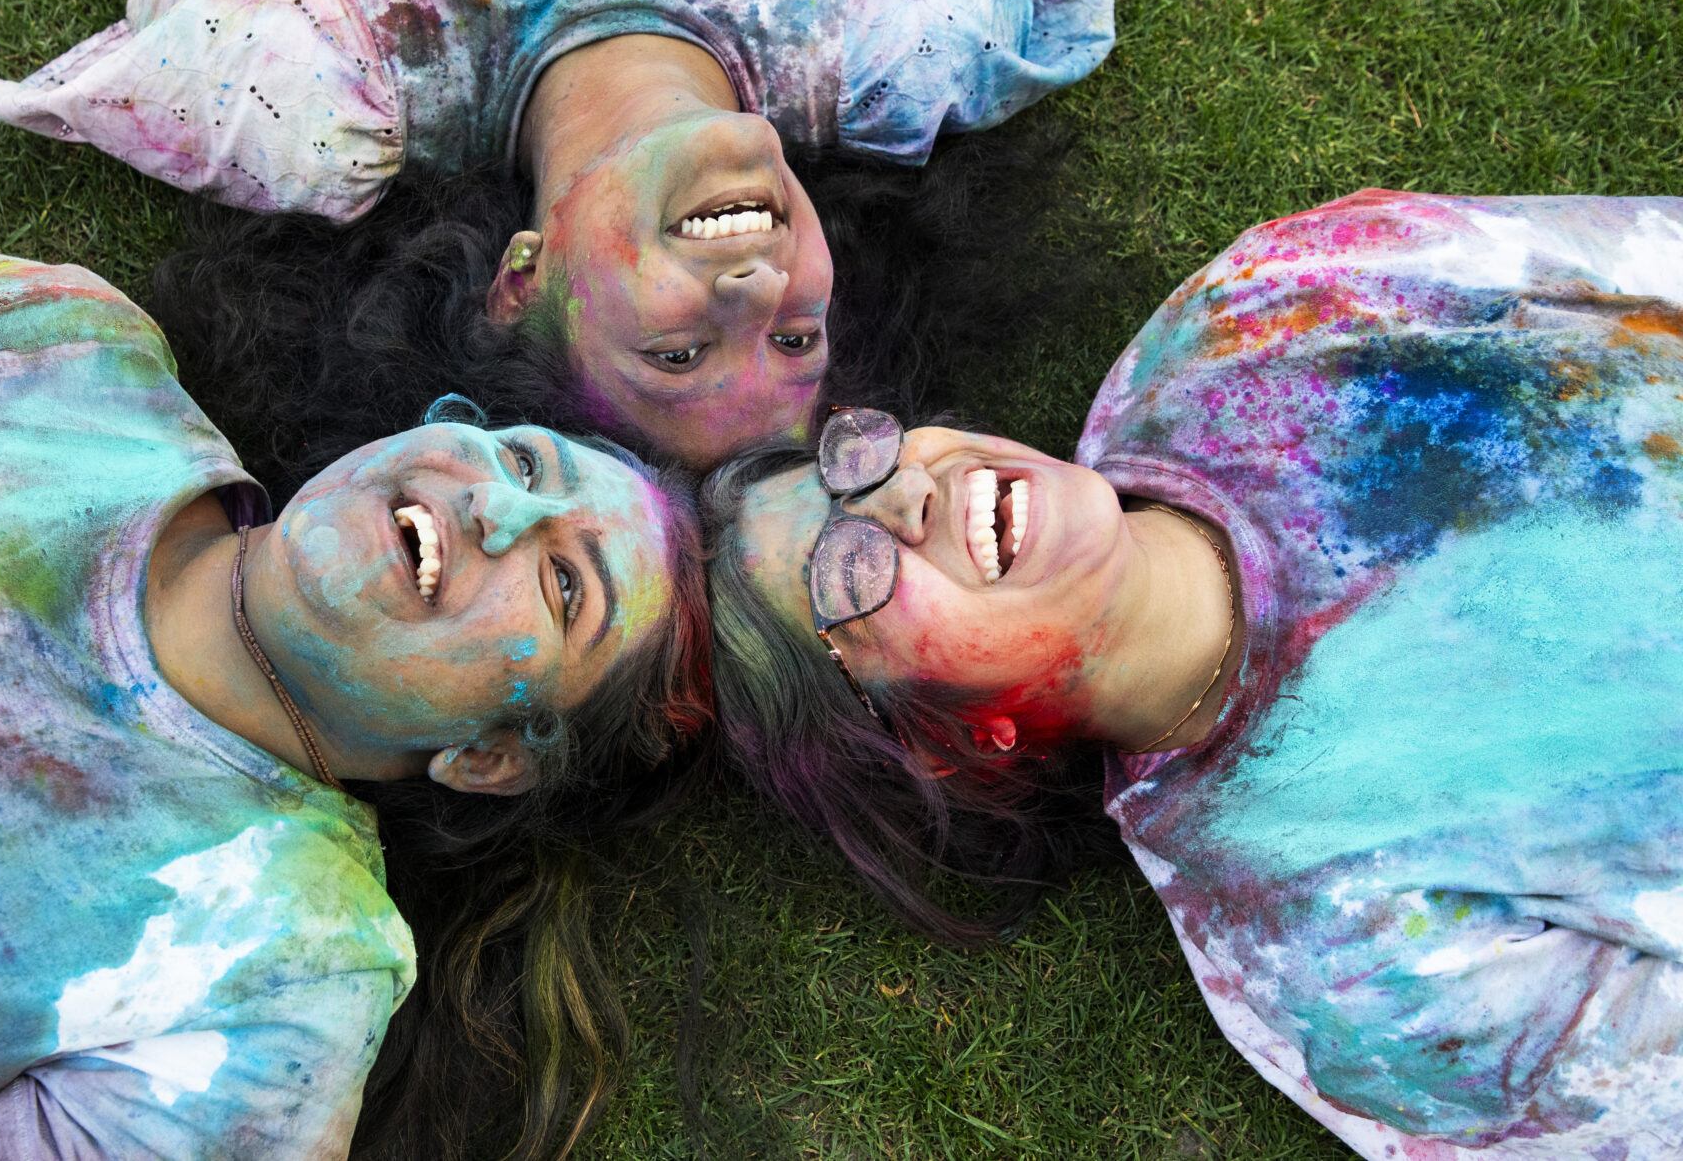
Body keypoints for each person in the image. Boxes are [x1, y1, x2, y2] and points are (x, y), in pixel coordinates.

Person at [0, 207, 712, 1161]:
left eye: (564, 585)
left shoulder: (286, 982)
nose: (498, 508)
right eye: (522, 461)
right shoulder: (60, 339)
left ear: (487, 758)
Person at [702, 189, 1683, 1157]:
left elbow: (1635, 264)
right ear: (953, 738)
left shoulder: (1240, 323)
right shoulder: (1334, 956)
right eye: (851, 570)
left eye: (852, 465)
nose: (906, 492)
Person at [0, 0, 1115, 465]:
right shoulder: (911, 30)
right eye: (796, 343)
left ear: (521, 283)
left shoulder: (315, 94)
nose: (756, 297)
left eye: (676, 355)